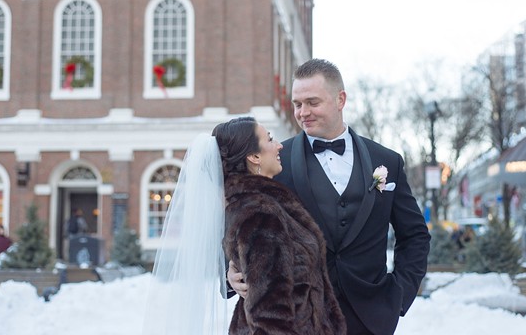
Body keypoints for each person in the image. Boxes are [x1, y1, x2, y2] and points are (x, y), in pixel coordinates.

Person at [228, 59, 431, 335]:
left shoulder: (387, 161)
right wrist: (230, 272)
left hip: (371, 319)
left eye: (313, 102)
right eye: (297, 104)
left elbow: (415, 235)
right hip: (299, 320)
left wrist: (399, 294)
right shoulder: (274, 161)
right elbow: (240, 223)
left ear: (340, 100)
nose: (303, 113)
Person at [144, 119, 345, 334]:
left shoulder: (263, 203)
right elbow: (269, 314)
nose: (279, 145)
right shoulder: (259, 213)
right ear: (254, 157)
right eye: (270, 139)